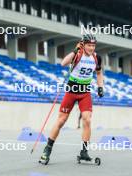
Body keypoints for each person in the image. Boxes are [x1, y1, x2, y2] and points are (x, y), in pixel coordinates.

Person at [39, 34, 104, 164]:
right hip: (72, 91)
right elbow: (63, 63)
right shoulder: (77, 55)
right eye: (89, 45)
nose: (91, 48)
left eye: (93, 45)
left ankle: (84, 152)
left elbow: (99, 73)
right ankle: (47, 149)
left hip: (85, 92)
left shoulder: (96, 58)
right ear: (83, 44)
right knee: (61, 120)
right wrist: (75, 51)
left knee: (87, 119)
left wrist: (100, 86)